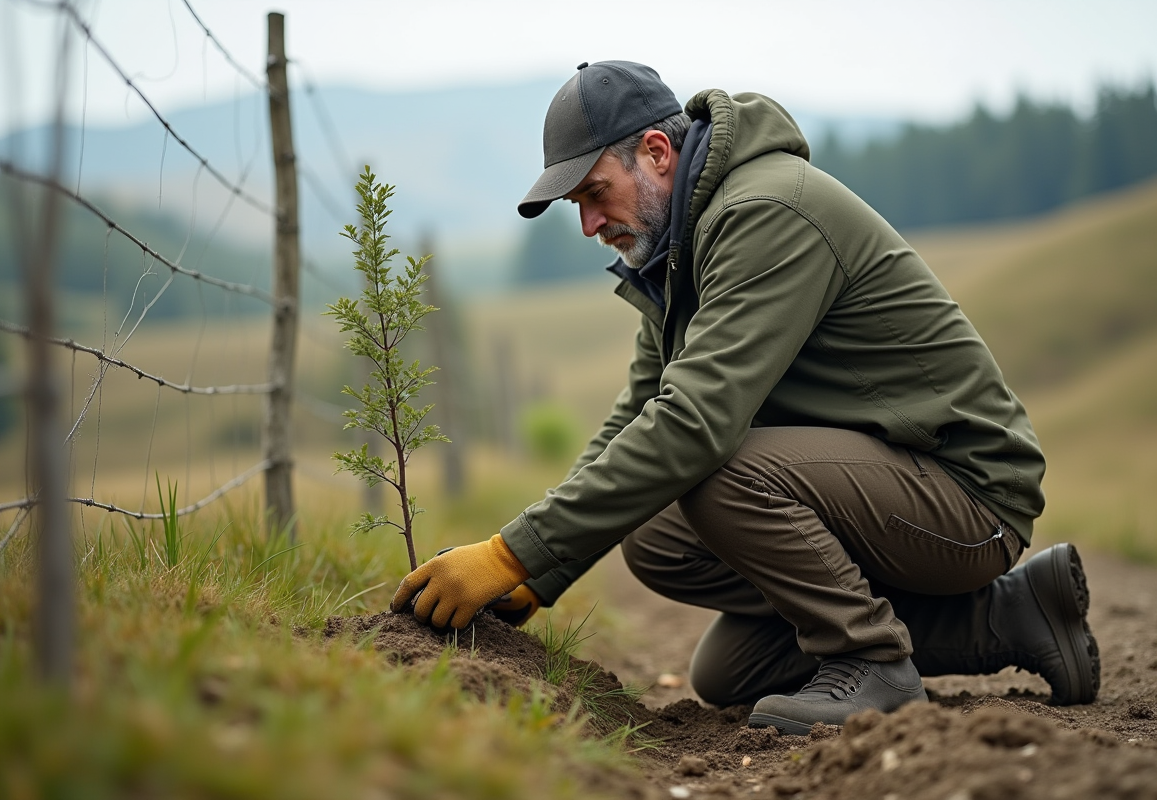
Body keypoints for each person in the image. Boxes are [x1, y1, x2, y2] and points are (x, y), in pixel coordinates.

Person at [391, 61, 1100, 734]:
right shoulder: (681, 252)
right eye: (575, 204)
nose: (587, 224)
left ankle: (873, 663)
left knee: (713, 469)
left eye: (594, 192)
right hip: (889, 488)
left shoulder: (767, 212)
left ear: (658, 152)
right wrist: (540, 569)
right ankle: (1015, 616)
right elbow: (639, 414)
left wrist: (510, 553)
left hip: (968, 496)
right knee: (725, 653)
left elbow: (694, 424)